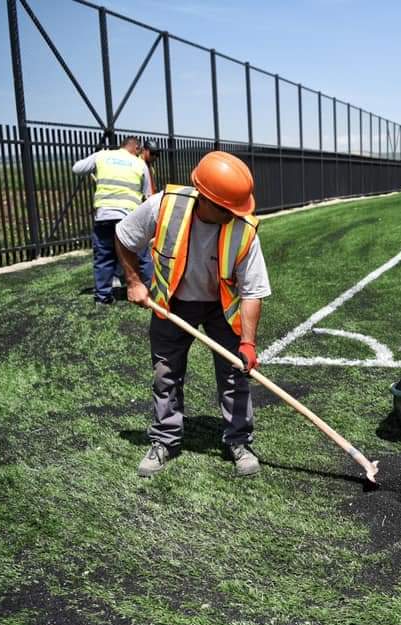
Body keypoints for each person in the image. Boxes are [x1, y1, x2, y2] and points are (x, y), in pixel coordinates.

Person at [115, 151, 271, 477]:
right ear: (206, 199)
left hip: (221, 308)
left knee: (235, 373)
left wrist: (248, 343)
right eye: (227, 209)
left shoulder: (244, 229)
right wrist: (133, 282)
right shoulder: (164, 206)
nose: (234, 215)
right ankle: (165, 440)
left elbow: (252, 291)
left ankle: (238, 441)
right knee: (165, 374)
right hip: (170, 303)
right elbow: (123, 236)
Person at [72, 136, 153, 305]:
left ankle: (103, 297)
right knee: (141, 255)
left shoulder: (102, 156)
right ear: (136, 148)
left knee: (104, 256)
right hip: (129, 218)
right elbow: (148, 197)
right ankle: (151, 292)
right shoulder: (139, 164)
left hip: (105, 216)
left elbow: (76, 168)